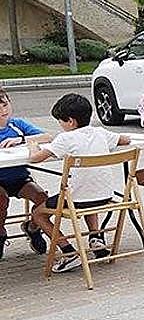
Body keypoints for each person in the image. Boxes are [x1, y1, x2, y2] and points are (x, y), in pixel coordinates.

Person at [26, 93, 131, 273]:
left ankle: (68, 252)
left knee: (38, 214)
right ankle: (95, 237)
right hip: (105, 195)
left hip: (78, 199)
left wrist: (33, 144)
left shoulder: (65, 139)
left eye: (60, 121)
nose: (60, 125)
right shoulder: (100, 132)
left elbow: (35, 159)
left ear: (71, 121)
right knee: (88, 188)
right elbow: (125, 140)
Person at [0, 86, 51, 259]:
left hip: (20, 178)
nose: (2, 111)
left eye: (5, 105)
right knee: (1, 200)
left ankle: (33, 227)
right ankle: (1, 234)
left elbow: (48, 137)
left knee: (43, 199)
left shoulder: (18, 125)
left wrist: (21, 139)